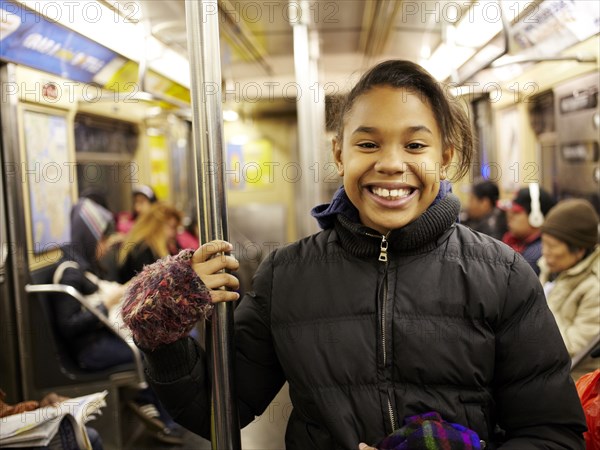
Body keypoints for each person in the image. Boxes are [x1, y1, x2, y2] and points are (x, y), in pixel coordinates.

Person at [122, 60, 586, 449]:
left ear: (444, 157)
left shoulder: (502, 275)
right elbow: (215, 410)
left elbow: (551, 432)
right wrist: (164, 330)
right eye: (368, 143)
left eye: (415, 145)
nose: (390, 163)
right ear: (339, 154)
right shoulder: (287, 276)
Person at [53, 197, 184, 445]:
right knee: (152, 352)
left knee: (155, 346)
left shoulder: (82, 266)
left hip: (100, 340)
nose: (104, 246)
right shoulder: (70, 272)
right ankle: (156, 411)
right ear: (88, 238)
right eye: (101, 240)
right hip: (90, 350)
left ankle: (160, 412)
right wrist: (108, 303)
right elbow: (69, 325)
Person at [538, 198, 600, 358]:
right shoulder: (550, 268)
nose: (545, 252)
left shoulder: (595, 286)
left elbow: (575, 346)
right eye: (543, 244)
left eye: (552, 246)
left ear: (579, 250)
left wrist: (535, 323)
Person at [117, 202, 182, 283]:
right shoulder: (144, 251)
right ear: (157, 226)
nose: (173, 233)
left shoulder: (143, 247)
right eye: (172, 227)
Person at [501, 185, 556, 275]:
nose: (509, 218)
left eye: (516, 213)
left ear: (536, 218)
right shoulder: (517, 243)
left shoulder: (536, 255)